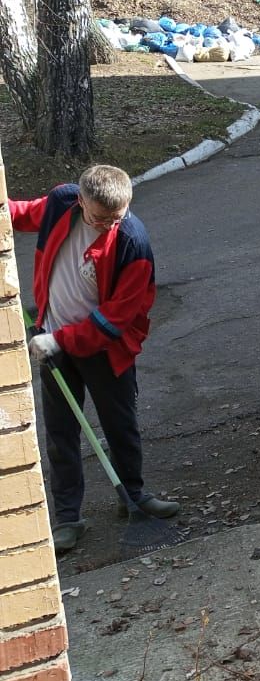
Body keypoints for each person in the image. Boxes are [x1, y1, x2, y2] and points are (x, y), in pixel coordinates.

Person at [10, 165, 178, 555]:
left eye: (116, 217)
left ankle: (133, 497)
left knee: (120, 424)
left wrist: (60, 340)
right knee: (60, 434)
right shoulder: (59, 204)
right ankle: (68, 518)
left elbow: (115, 320)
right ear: (81, 200)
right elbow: (17, 214)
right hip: (51, 341)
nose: (107, 226)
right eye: (100, 218)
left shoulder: (133, 243)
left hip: (102, 348)